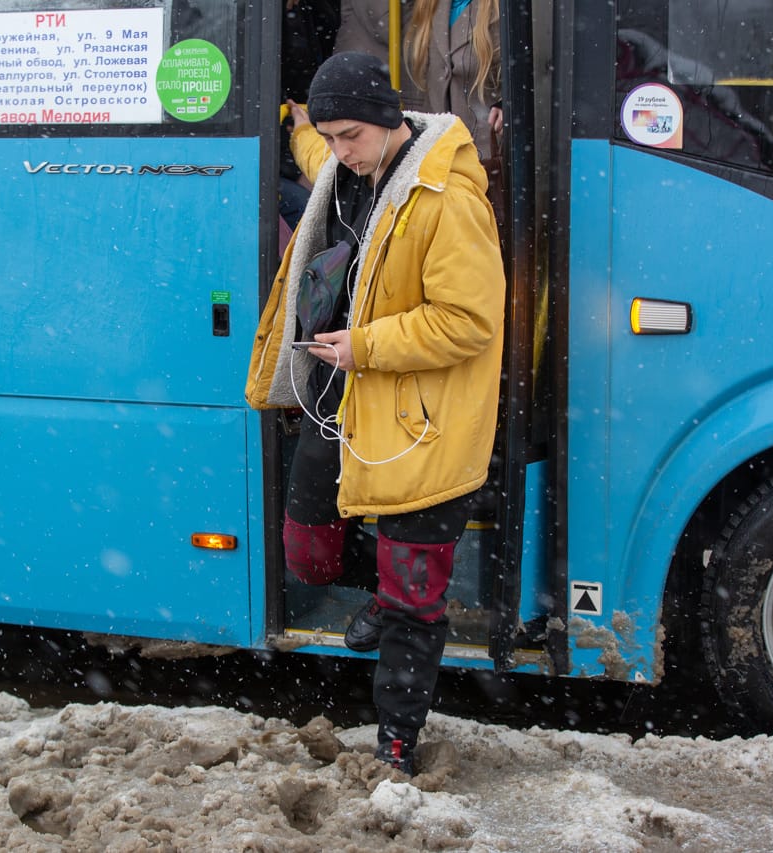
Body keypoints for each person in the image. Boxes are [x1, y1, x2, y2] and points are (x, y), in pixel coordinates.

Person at [244, 52, 504, 776]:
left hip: (421, 427)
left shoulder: (447, 198)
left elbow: (470, 321)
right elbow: (313, 144)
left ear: (391, 121)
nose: (338, 152)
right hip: (342, 411)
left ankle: (395, 746)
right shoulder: (342, 164)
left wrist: (367, 344)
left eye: (348, 135)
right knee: (306, 552)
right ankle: (387, 598)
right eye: (329, 138)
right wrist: (298, 122)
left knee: (416, 605)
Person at [404, 0, 502, 159]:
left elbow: (532, 68)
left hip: (485, 154)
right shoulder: (428, 6)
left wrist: (506, 104)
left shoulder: (499, 8)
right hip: (436, 154)